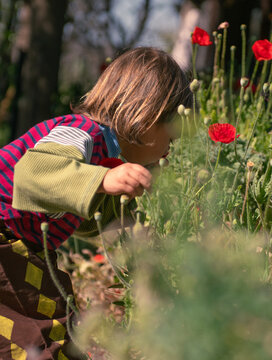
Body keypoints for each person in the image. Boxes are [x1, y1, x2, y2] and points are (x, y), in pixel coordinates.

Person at [0, 47, 192, 359]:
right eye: (171, 137)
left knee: (51, 318)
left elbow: (81, 215)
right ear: (147, 115)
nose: (170, 149)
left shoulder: (104, 152)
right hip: (5, 240)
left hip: (18, 246)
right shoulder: (82, 133)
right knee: (41, 331)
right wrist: (102, 181)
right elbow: (33, 175)